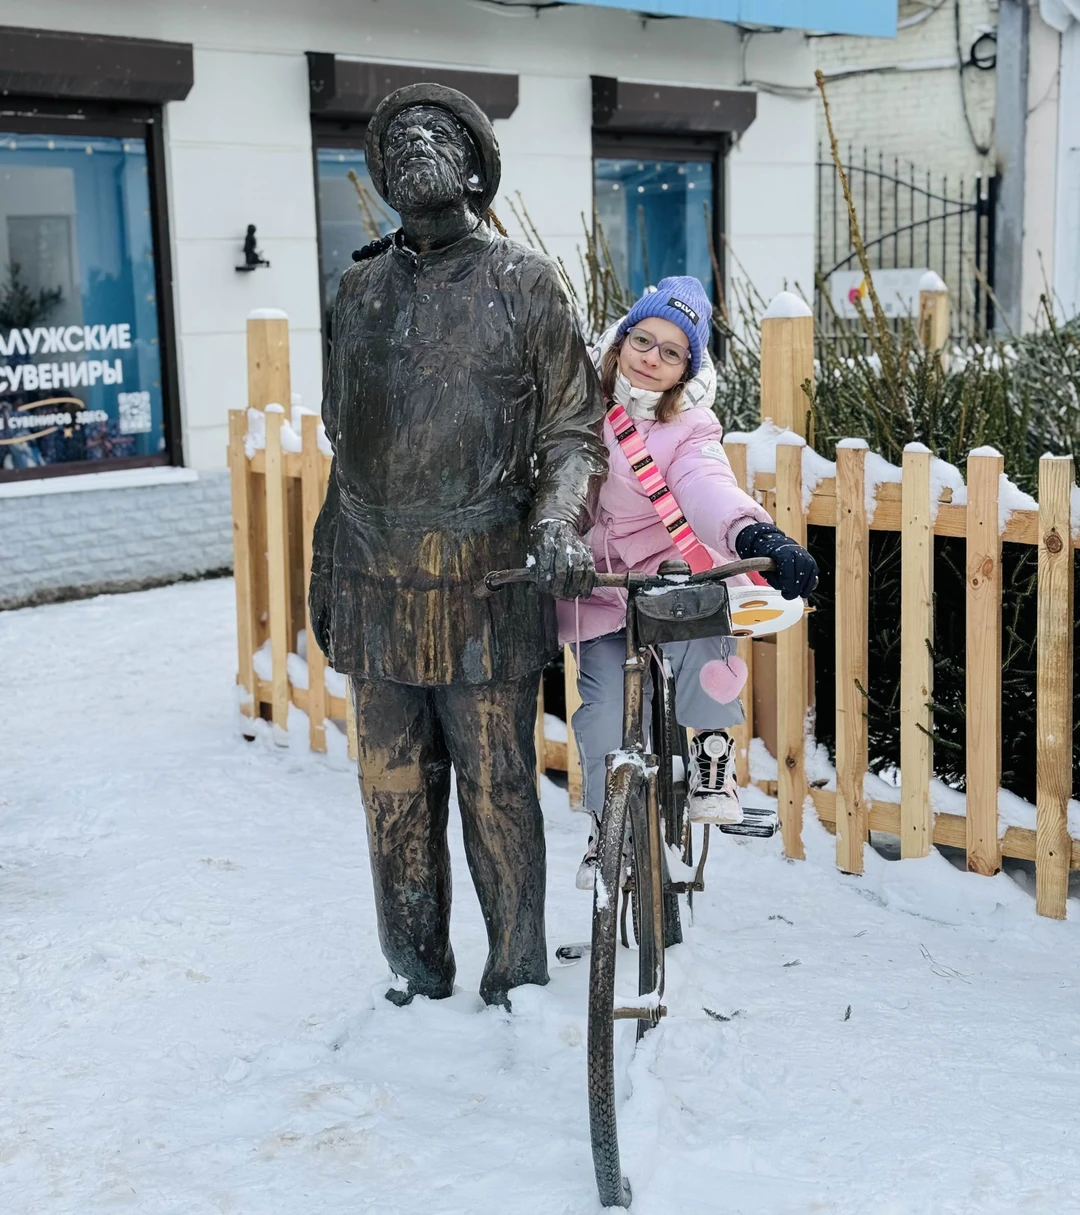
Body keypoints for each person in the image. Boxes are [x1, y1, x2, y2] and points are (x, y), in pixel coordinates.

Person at [308, 83, 607, 1008]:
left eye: (438, 134)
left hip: (487, 580)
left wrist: (559, 517)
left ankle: (516, 975)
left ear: (477, 168)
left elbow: (573, 430)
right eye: (398, 138)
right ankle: (414, 970)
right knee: (391, 790)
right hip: (371, 577)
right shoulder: (354, 290)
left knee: (498, 789)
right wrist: (326, 563)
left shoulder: (524, 283)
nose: (415, 148)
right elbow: (343, 444)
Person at [559, 276, 817, 889]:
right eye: (642, 339)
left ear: (684, 372)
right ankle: (606, 825)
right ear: (620, 341)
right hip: (595, 587)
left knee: (705, 638)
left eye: (671, 352)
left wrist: (757, 538)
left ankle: (711, 754)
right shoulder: (574, 408)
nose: (651, 356)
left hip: (666, 577)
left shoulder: (690, 430)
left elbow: (706, 487)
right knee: (600, 714)